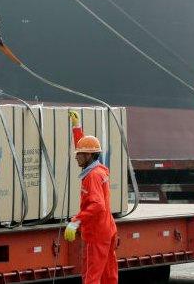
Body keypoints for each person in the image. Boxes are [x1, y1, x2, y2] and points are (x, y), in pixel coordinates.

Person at [64, 111, 119, 284]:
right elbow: (84, 146)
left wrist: (75, 221)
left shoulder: (93, 176)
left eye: (79, 154)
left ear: (88, 156)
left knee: (91, 276)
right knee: (108, 275)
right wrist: (76, 127)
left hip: (96, 234)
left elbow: (97, 205)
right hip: (107, 230)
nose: (76, 156)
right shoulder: (99, 169)